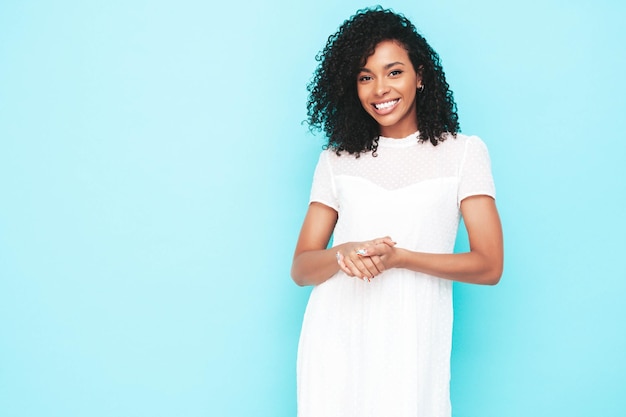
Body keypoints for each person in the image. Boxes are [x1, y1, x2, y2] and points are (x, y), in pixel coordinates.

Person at [291, 6, 503, 417]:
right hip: (335, 338)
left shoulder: (463, 154)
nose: (379, 89)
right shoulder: (336, 161)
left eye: (394, 72)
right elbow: (301, 268)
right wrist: (343, 251)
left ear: (420, 75)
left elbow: (489, 265)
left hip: (412, 340)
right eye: (365, 77)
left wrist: (401, 258)